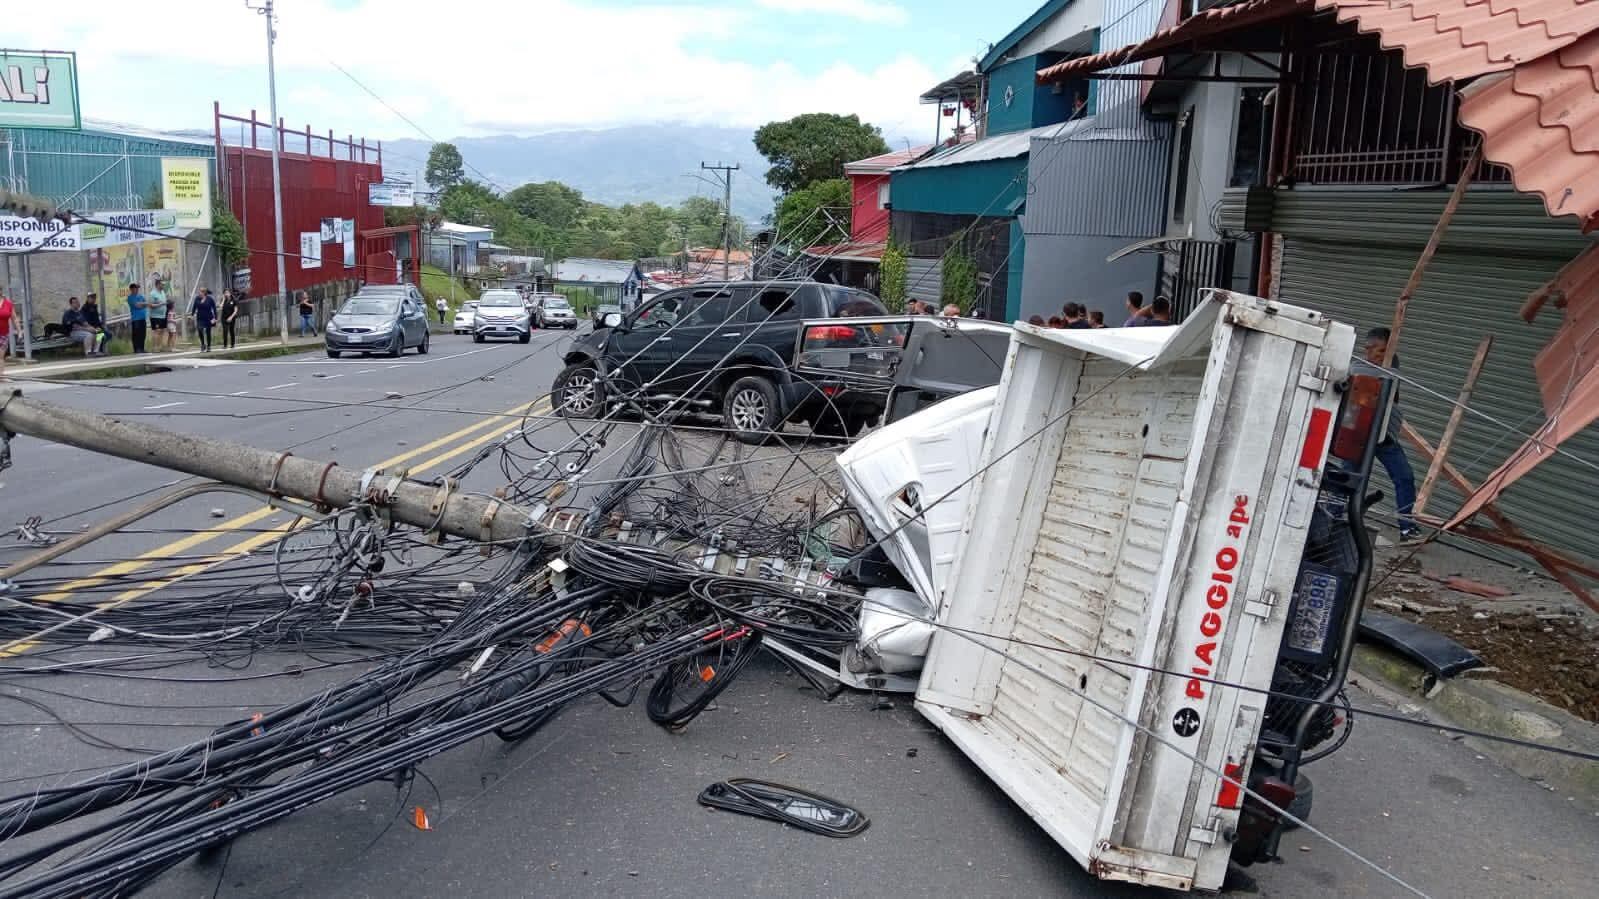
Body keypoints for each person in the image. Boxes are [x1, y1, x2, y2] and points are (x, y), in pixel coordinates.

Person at [1365, 327, 1423, 543]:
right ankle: (1335, 516)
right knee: (1349, 477)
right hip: (1362, 434)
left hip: (1383, 434)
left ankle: (1407, 529)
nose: (1374, 356)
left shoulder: (1393, 365)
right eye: (1372, 350)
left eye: (1381, 352)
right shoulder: (1360, 367)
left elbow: (1393, 399)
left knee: (1405, 477)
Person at [147, 279, 171, 351]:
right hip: (155, 316)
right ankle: (155, 347)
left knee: (162, 331)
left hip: (163, 315)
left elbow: (164, 302)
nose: (163, 285)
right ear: (157, 285)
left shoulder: (163, 292)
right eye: (162, 284)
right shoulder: (152, 294)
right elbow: (150, 305)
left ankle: (160, 346)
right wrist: (161, 304)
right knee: (157, 331)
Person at [127, 283, 149, 354]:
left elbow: (146, 304)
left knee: (143, 334)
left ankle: (142, 348)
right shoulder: (130, 297)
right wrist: (142, 304)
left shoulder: (141, 296)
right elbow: (137, 306)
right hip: (136, 319)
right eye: (135, 288)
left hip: (143, 318)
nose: (137, 289)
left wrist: (142, 304)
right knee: (136, 334)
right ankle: (136, 349)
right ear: (131, 289)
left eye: (137, 288)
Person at [0, 291, 16, 379]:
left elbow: (14, 318)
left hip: (4, 333)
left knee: (1, 355)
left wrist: (19, 331)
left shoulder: (8, 304)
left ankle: (1, 375)